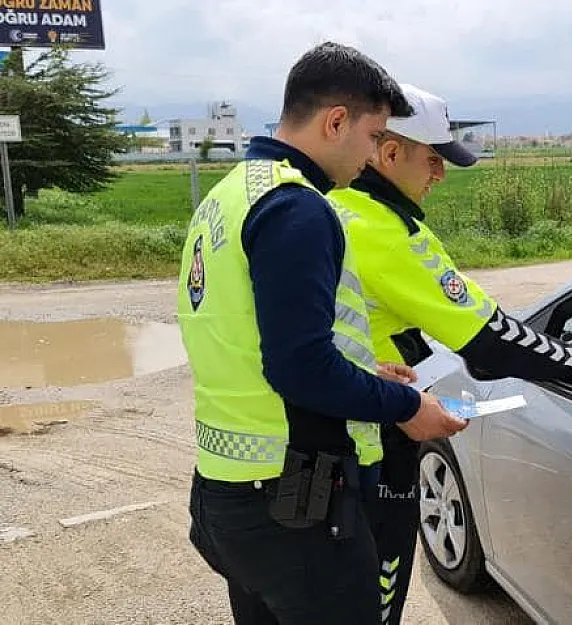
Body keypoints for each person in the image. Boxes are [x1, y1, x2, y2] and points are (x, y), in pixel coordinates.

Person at [178, 43, 467, 625]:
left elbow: (258, 340)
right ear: (336, 120)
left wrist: (365, 374)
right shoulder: (298, 209)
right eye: (371, 135)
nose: (370, 156)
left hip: (227, 489)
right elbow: (300, 367)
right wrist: (405, 403)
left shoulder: (230, 193)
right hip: (294, 504)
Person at [326, 83, 572, 624]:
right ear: (390, 153)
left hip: (326, 433)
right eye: (433, 159)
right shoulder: (386, 233)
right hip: (373, 439)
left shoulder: (333, 208)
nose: (440, 175)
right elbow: (489, 335)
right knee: (375, 594)